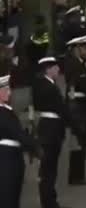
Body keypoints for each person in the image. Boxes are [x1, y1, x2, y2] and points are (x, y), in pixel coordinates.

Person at [32, 57, 82, 208]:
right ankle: (49, 202)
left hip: (46, 126)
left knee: (47, 168)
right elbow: (62, 109)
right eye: (55, 68)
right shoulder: (50, 87)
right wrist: (76, 127)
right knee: (49, 169)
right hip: (52, 129)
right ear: (48, 69)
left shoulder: (40, 85)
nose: (58, 70)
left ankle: (48, 199)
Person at [0, 75, 41, 208]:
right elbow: (17, 133)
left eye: (8, 89)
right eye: (5, 90)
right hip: (6, 160)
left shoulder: (7, 111)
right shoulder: (2, 112)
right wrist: (36, 148)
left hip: (11, 158)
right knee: (8, 197)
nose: (9, 93)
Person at [64, 36, 86, 185]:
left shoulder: (78, 63)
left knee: (80, 142)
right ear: (76, 48)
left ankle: (77, 174)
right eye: (83, 47)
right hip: (79, 108)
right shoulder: (75, 65)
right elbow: (84, 85)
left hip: (80, 107)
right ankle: (76, 175)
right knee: (79, 143)